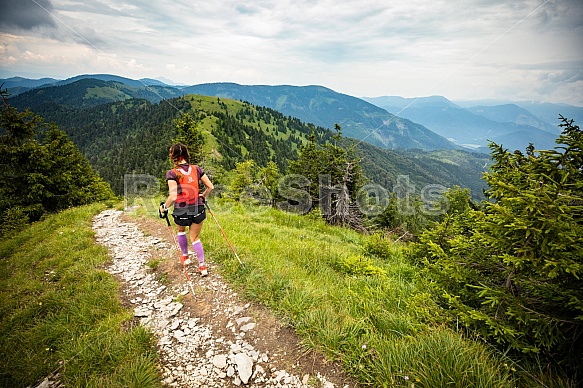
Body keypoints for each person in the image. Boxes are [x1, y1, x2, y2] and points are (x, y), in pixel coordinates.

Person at [160, 143, 214, 276]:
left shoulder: (172, 173)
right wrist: (203, 195)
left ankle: (185, 257)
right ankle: (202, 266)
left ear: (173, 156)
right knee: (195, 237)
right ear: (186, 154)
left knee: (181, 230)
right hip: (198, 208)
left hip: (181, 211)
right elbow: (210, 186)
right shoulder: (196, 169)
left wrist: (164, 208)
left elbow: (173, 197)